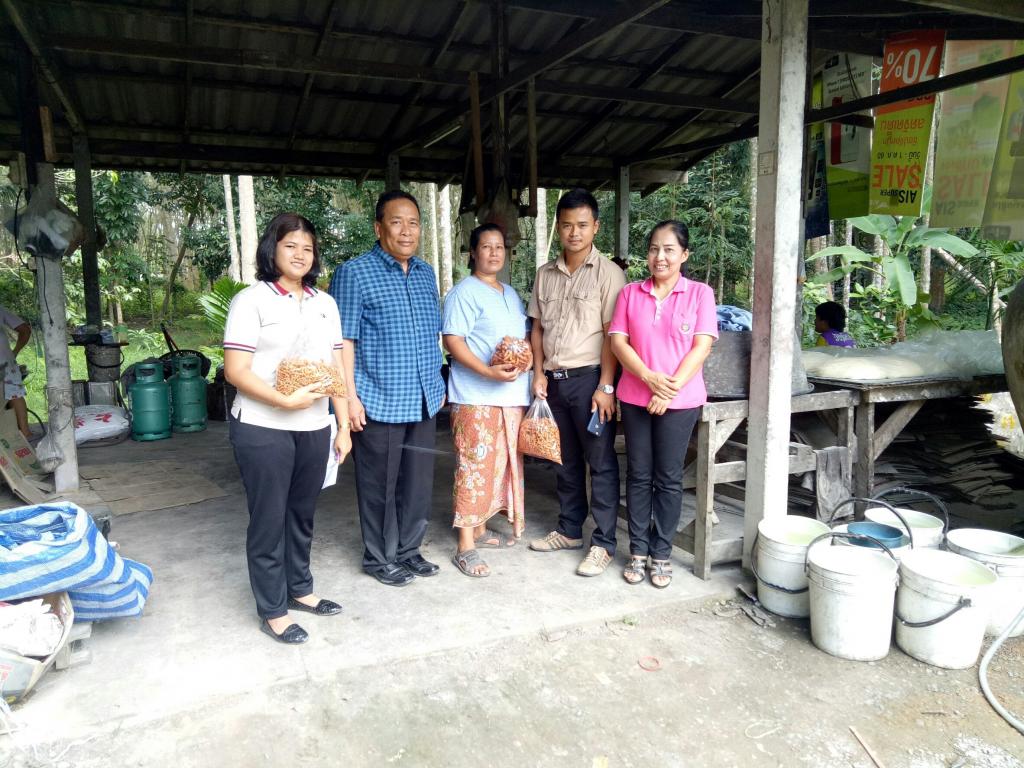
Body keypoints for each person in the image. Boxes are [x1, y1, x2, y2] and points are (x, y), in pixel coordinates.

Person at [223, 213, 351, 645]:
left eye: (307, 248)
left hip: (314, 425)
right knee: (269, 517)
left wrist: (343, 424)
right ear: (272, 249)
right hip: (263, 427)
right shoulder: (252, 301)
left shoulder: (324, 303)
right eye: (290, 245)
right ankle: (273, 609)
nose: (300, 254)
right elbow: (236, 370)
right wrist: (283, 400)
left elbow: (336, 368)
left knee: (302, 513)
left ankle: (300, 588)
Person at [330, 190, 445, 587]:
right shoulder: (355, 273)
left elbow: (430, 334)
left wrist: (438, 383)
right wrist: (350, 398)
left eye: (413, 223)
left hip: (424, 397)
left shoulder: (426, 273)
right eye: (397, 222)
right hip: (379, 398)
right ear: (379, 228)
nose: (406, 231)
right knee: (380, 484)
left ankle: (409, 550)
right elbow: (344, 342)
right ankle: (379, 557)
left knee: (417, 483)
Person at [609, 220, 717, 588]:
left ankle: (661, 553)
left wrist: (666, 390)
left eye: (669, 249)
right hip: (635, 396)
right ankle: (638, 550)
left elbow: (701, 346)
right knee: (639, 474)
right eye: (655, 248)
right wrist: (648, 378)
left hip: (680, 400)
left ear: (684, 254)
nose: (660, 256)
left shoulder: (700, 293)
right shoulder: (630, 293)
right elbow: (618, 343)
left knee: (669, 478)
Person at [527, 188, 627, 576]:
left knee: (600, 463)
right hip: (554, 382)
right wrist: (538, 372)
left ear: (595, 227)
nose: (574, 232)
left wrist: (606, 386)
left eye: (582, 225)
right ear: (558, 227)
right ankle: (569, 530)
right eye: (567, 225)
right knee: (564, 460)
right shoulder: (545, 274)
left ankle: (603, 543)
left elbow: (613, 334)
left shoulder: (609, 274)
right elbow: (537, 329)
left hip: (590, 382)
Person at [442, 224, 530, 578]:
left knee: (499, 465)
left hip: (510, 396)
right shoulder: (464, 292)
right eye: (486, 247)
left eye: (499, 247)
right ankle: (465, 545)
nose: (494, 253)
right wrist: (486, 372)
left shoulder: (510, 293)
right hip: (475, 397)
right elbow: (453, 340)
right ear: (472, 253)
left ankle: (479, 527)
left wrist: (526, 362)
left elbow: (519, 339)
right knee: (474, 466)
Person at [0, 305, 32, 438]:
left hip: (4, 361)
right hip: (5, 360)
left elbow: (25, 330)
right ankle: (25, 433)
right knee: (15, 395)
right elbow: (25, 330)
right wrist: (14, 352)